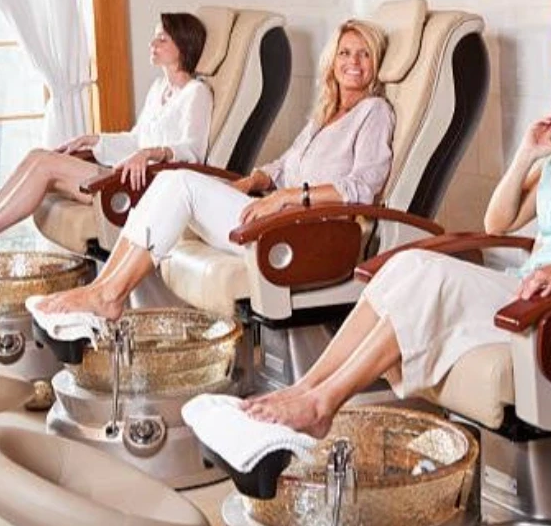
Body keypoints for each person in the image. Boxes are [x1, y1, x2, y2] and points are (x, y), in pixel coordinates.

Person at [241, 24, 551, 439]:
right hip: (531, 291)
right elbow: (498, 222)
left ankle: (323, 403)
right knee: (408, 262)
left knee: (431, 276)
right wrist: (526, 155)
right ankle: (306, 390)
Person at [36, 19, 395, 320]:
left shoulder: (373, 112)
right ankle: (102, 289)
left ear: (375, 63)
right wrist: (255, 179)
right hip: (280, 218)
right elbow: (285, 165)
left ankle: (109, 295)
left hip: (314, 234)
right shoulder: (325, 114)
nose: (354, 62)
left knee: (180, 183)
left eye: (364, 54)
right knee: (170, 182)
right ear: (333, 60)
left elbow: (363, 186)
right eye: (346, 52)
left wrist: (287, 197)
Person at [0, 13, 212, 259]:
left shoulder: (196, 93)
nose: (153, 42)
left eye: (163, 38)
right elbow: (135, 140)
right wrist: (95, 139)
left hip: (147, 190)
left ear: (184, 47)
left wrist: (152, 153)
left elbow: (192, 151)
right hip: (127, 176)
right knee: (36, 156)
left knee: (45, 165)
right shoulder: (159, 90)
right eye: (154, 35)